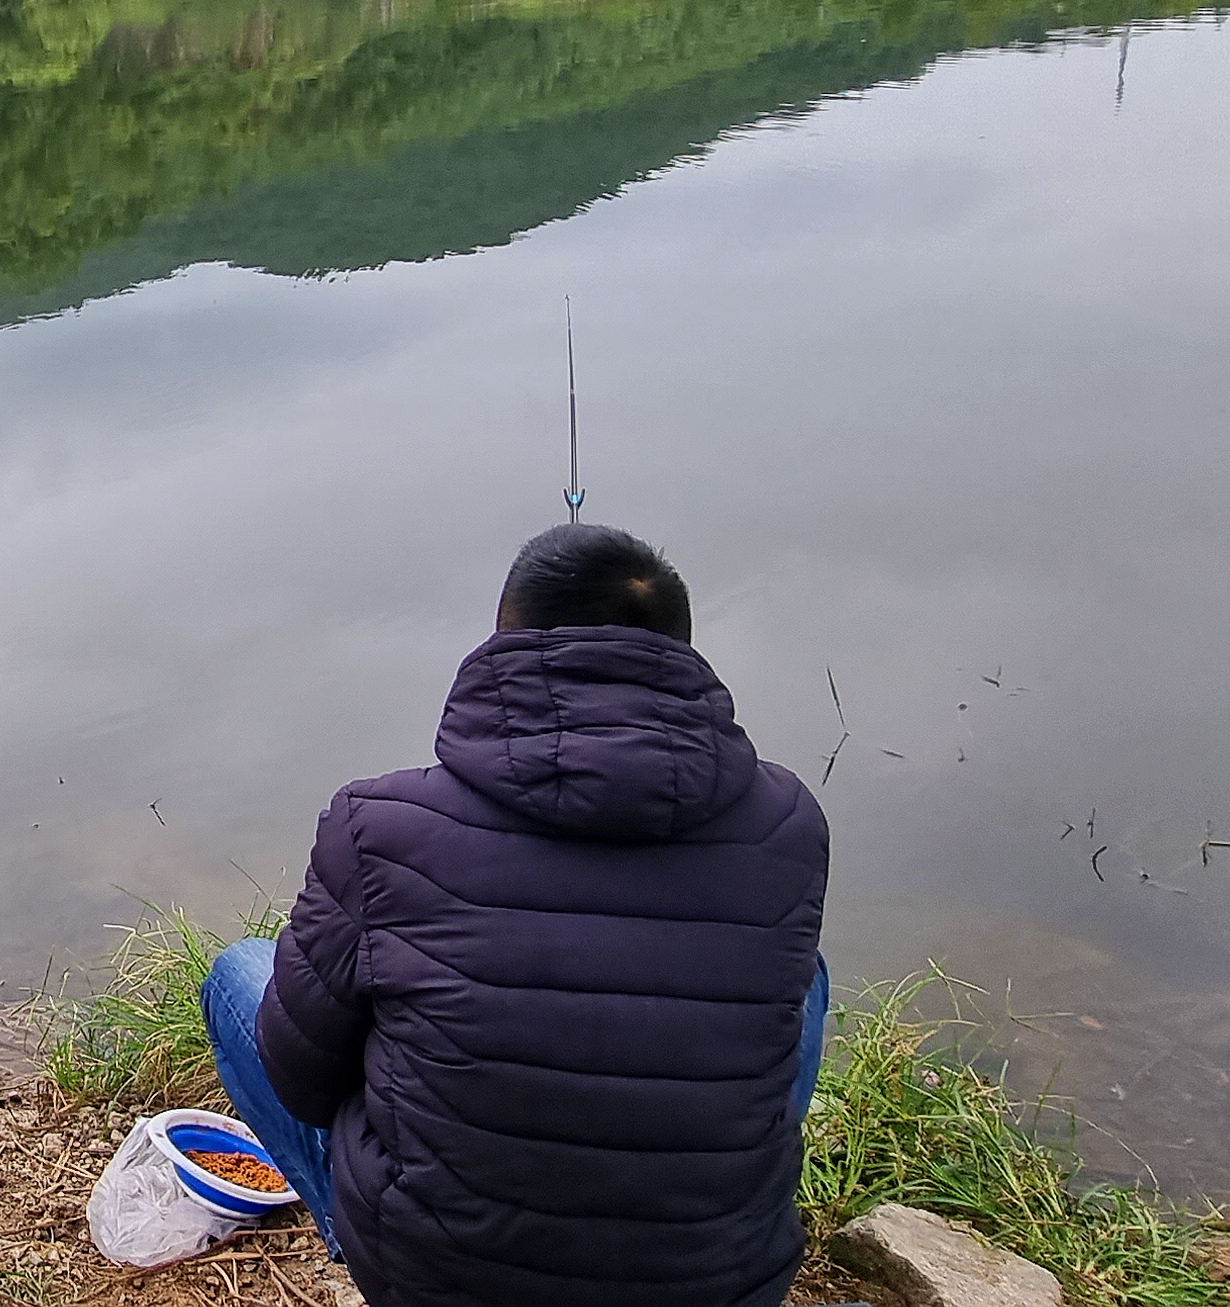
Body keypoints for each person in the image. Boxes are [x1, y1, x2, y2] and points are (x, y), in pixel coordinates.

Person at [203, 523, 830, 1307]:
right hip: (721, 1285)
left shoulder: (379, 823)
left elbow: (302, 1081)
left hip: (438, 1282)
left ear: (505, 640)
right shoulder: (789, 824)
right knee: (804, 973)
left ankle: (357, 1229)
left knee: (240, 975)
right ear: (682, 654)